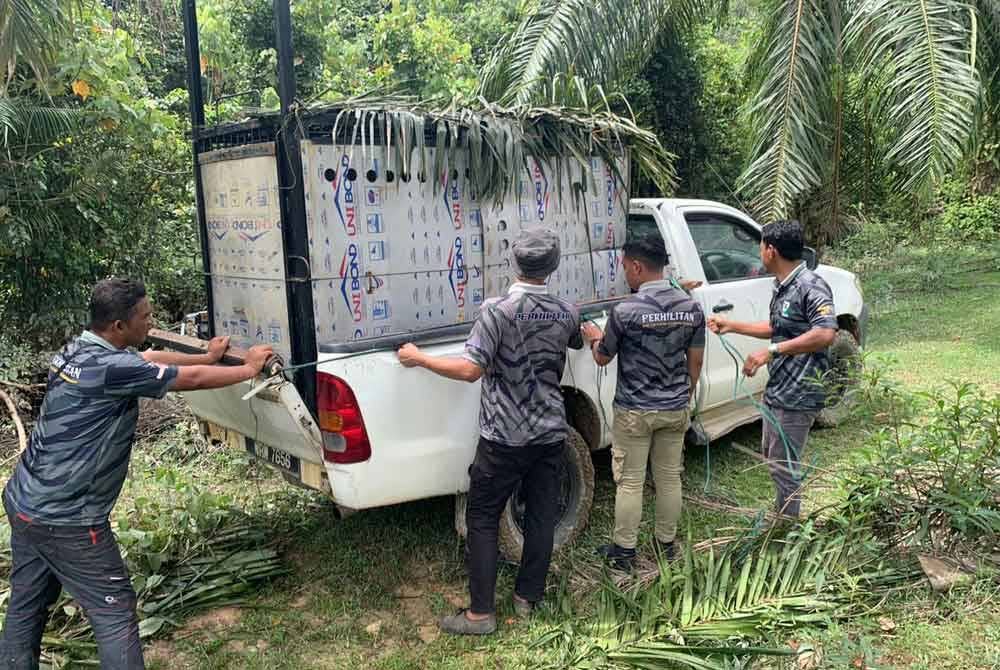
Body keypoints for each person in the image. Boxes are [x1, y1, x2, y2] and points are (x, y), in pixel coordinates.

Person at [1, 278, 273, 669]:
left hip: (24, 501)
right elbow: (187, 382)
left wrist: (209, 358)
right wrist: (248, 369)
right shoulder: (112, 367)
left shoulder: (78, 350)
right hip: (67, 518)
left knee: (27, 603)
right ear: (118, 327)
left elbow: (150, 360)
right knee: (115, 614)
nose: (151, 321)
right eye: (145, 317)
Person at [397, 228, 582, 635]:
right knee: (540, 516)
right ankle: (526, 599)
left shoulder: (497, 310)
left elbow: (470, 369)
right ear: (552, 267)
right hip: (551, 432)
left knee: (482, 516)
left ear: (512, 264)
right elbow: (576, 342)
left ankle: (480, 614)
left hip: (504, 437)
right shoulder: (568, 310)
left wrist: (419, 358)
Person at [580, 236, 705, 570]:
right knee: (669, 478)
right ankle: (665, 545)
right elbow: (696, 361)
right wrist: (686, 395)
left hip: (635, 411)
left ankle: (624, 552)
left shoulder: (626, 311)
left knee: (631, 481)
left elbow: (604, 358)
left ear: (636, 266)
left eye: (624, 268)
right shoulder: (691, 308)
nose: (625, 275)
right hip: (675, 407)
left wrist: (593, 337)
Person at [707, 220, 837, 518]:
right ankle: (783, 514)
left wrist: (772, 351)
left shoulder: (810, 285)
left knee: (784, 464)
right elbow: (779, 328)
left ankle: (788, 530)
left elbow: (825, 332)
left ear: (771, 250)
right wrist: (732, 325)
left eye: (760, 246)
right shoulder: (783, 286)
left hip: (800, 390)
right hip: (780, 386)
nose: (759, 251)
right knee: (773, 455)